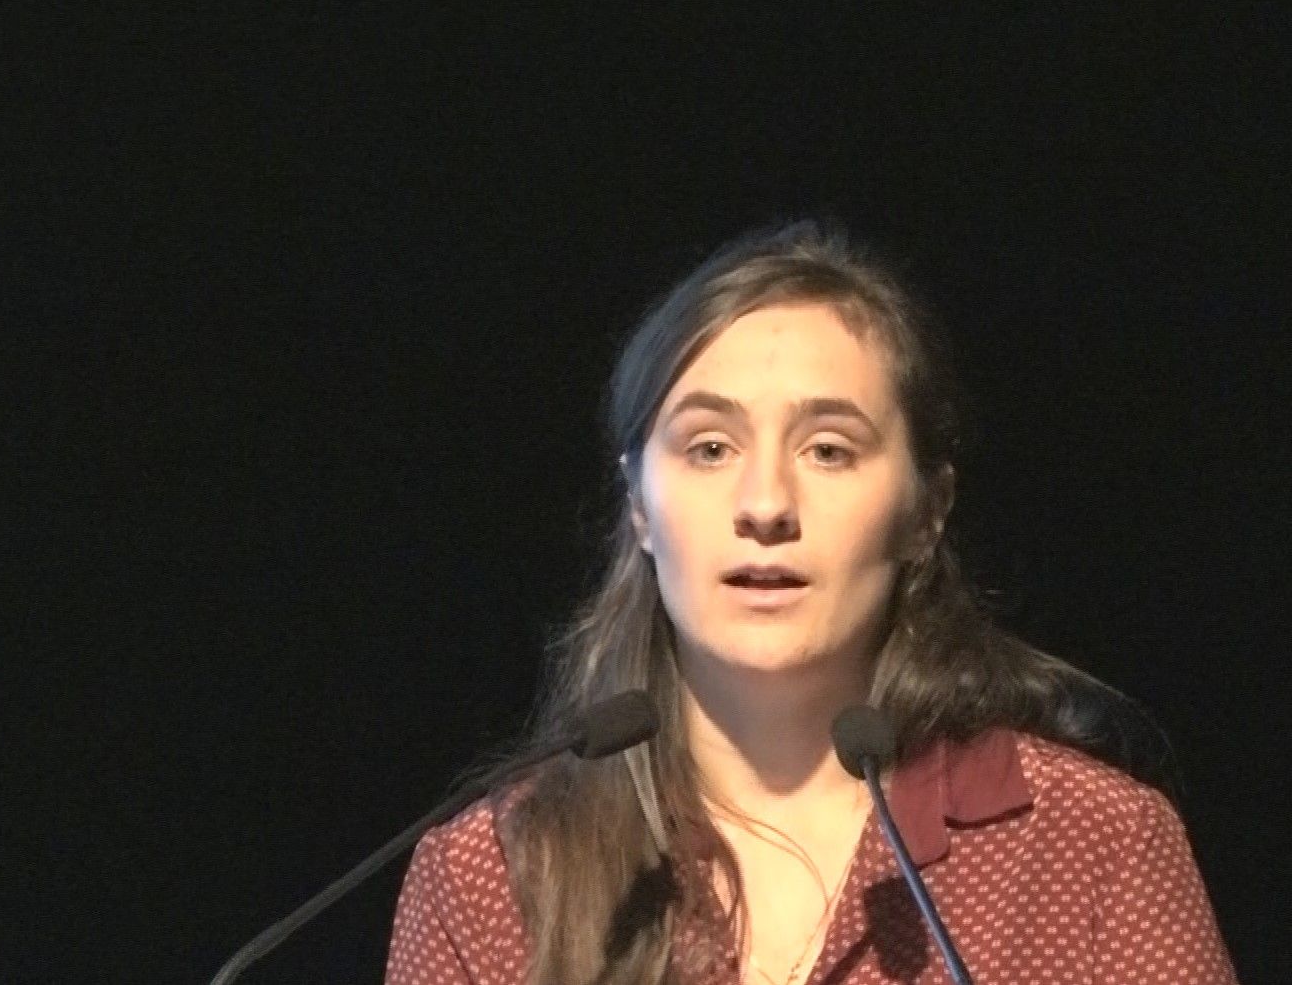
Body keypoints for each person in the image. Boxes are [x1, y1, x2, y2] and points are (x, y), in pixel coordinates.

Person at [383, 222, 1237, 985]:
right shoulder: (488, 876)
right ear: (639, 503)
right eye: (709, 448)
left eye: (829, 450)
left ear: (925, 511)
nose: (765, 504)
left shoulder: (1094, 843)